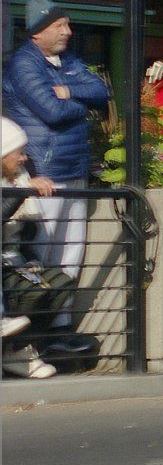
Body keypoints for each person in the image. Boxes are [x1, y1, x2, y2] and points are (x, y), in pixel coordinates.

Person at [2, 0, 110, 334]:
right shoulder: (23, 64)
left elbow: (101, 90)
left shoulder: (69, 60)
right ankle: (36, 329)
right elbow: (52, 111)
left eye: (67, 24)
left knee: (72, 251)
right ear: (38, 31)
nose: (68, 31)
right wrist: (82, 105)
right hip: (45, 172)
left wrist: (68, 90)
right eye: (60, 25)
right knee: (42, 252)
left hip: (75, 170)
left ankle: (61, 325)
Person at [1, 117, 72, 379]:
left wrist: (31, 259)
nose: (24, 158)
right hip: (3, 264)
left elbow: (26, 232)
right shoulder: (20, 184)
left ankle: (17, 349)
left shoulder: (19, 178)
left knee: (59, 283)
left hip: (14, 259)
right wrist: (22, 192)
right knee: (28, 291)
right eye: (18, 152)